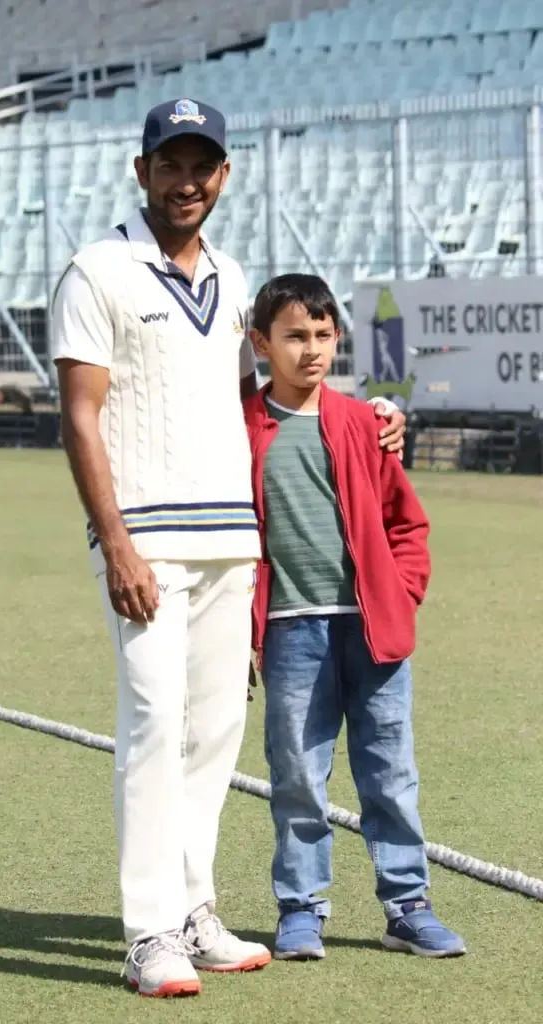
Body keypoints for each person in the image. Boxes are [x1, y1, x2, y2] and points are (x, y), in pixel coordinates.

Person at [51, 98, 408, 998]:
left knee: (214, 734)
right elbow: (79, 414)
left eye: (201, 165)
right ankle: (147, 932)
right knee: (153, 725)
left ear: (223, 175)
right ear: (142, 173)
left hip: (231, 546)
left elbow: (262, 408)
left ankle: (194, 908)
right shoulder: (99, 271)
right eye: (169, 164)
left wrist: (371, 418)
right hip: (147, 548)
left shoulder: (233, 275)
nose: (186, 181)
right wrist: (117, 542)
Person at [244, 273, 466, 962]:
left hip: (373, 631)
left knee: (390, 774)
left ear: (336, 338)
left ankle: (407, 906)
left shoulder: (365, 424)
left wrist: (401, 593)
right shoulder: (240, 428)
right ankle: (301, 908)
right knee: (298, 777)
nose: (311, 350)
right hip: (289, 633)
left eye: (322, 335)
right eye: (293, 336)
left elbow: (408, 522)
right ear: (261, 343)